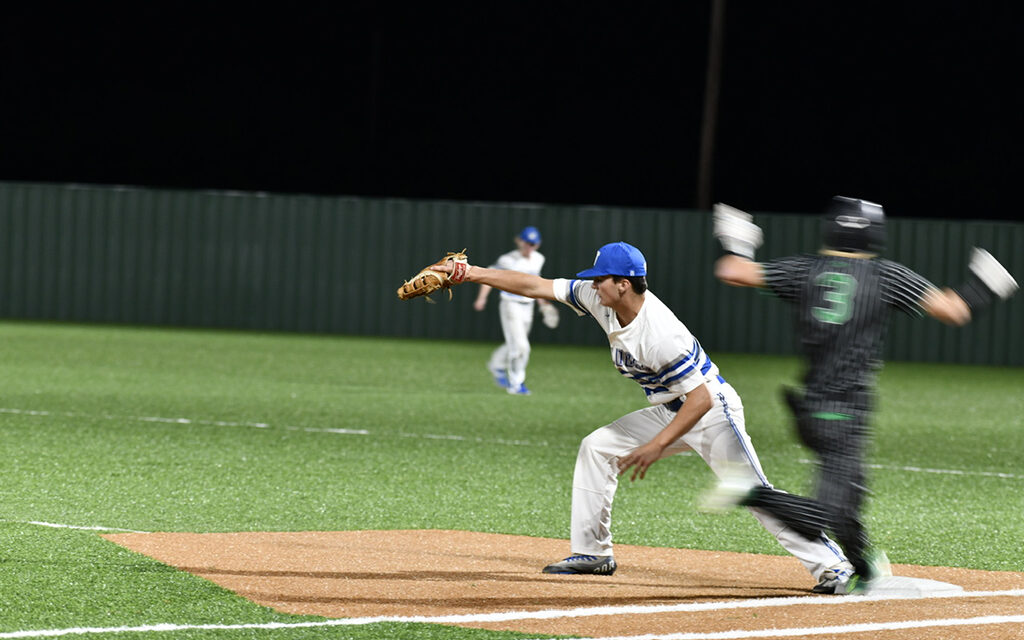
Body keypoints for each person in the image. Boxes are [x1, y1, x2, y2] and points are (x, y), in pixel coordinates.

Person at [434, 241, 852, 592]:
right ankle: (593, 553)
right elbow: (536, 285)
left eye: (602, 278)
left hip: (711, 411)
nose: (593, 284)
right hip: (669, 408)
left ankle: (833, 566)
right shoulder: (600, 298)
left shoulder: (659, 333)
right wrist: (472, 274)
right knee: (597, 448)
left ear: (624, 283)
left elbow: (701, 399)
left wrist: (657, 445)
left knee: (751, 490)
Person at [704, 197, 1018, 594]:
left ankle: (865, 569)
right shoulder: (885, 276)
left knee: (847, 501)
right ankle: (752, 493)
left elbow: (733, 270)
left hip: (808, 411)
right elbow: (953, 310)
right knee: (826, 512)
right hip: (846, 413)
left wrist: (736, 240)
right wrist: (986, 284)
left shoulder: (805, 269)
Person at [473, 225, 559, 395]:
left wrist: (543, 304)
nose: (529, 247)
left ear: (538, 244)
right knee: (521, 346)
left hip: (529, 306)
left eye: (533, 244)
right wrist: (482, 298)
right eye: (527, 242)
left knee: (516, 343)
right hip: (510, 304)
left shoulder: (538, 259)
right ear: (519, 241)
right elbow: (488, 276)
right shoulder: (508, 260)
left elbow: (535, 285)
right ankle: (516, 384)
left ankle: (496, 365)